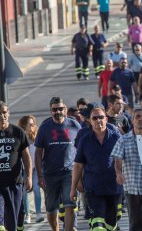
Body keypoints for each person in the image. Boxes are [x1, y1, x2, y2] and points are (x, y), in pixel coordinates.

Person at [70, 106, 122, 231]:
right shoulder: (84, 140)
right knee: (98, 226)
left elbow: (124, 159)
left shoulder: (116, 137)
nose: (98, 120)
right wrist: (73, 188)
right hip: (93, 189)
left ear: (106, 119)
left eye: (101, 117)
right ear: (90, 121)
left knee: (111, 225)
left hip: (113, 188)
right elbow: (78, 165)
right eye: (95, 118)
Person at [35, 97, 81, 231]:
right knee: (50, 209)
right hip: (50, 173)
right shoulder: (44, 127)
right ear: (51, 111)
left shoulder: (74, 125)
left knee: (69, 204)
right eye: (54, 109)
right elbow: (38, 152)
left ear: (65, 109)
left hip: (69, 172)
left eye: (60, 109)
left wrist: (81, 173)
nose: (58, 111)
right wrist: (40, 175)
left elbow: (81, 148)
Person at [111, 108, 142, 231]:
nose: (140, 119)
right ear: (132, 120)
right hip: (131, 186)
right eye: (137, 117)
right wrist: (119, 173)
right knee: (135, 220)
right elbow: (118, 159)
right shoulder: (123, 140)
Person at [0, 102, 33, 231]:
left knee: (12, 219)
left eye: (4, 112)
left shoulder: (18, 132)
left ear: (8, 113)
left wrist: (29, 177)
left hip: (14, 183)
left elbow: (26, 157)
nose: (2, 116)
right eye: (0, 113)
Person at [17, 115, 43, 224]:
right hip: (24, 169)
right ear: (24, 126)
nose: (33, 126)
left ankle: (38, 213)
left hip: (36, 168)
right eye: (30, 124)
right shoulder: (20, 138)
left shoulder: (36, 138)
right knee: (25, 192)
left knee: (37, 190)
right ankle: (27, 214)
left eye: (33, 124)